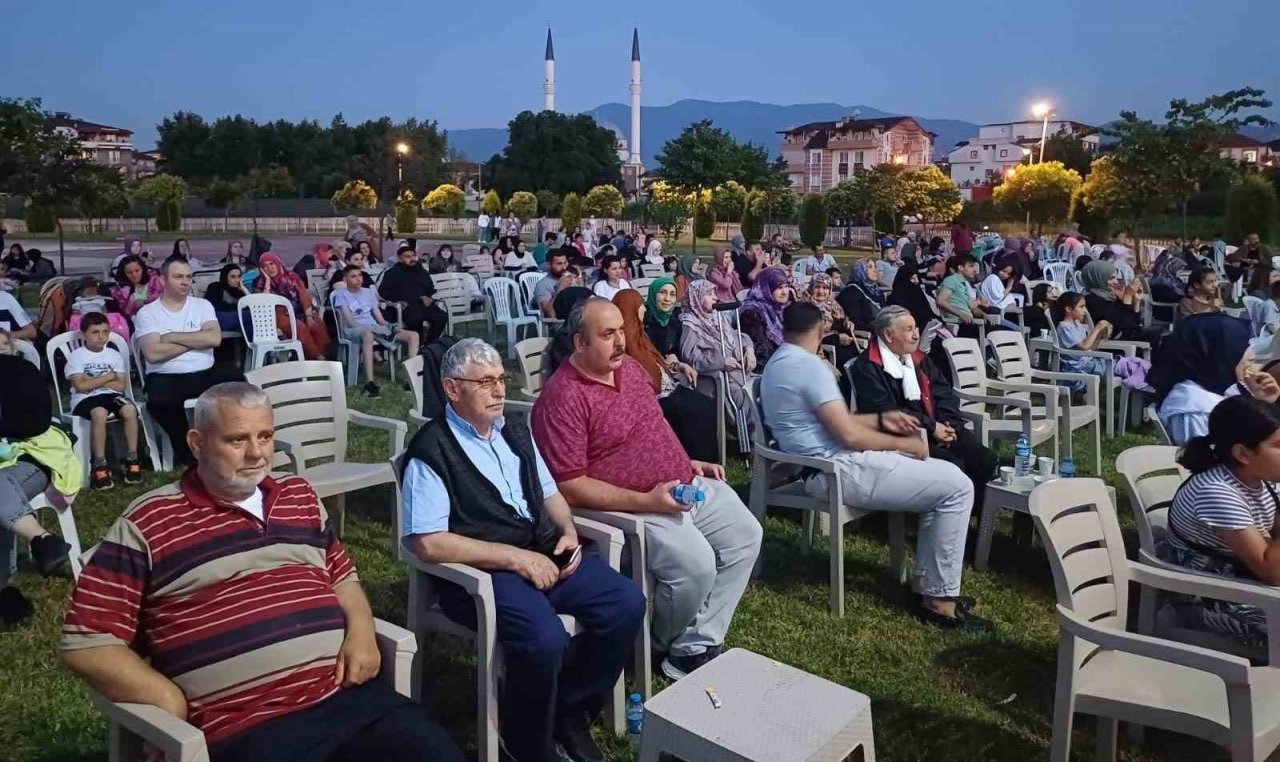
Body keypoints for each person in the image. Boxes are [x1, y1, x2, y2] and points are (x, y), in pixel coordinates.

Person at [59, 383, 462, 762]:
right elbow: (88, 642)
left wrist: (361, 631)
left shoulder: (298, 495)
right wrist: (167, 701)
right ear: (197, 443)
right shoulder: (149, 522)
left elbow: (340, 574)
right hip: (246, 727)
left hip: (348, 698)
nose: (257, 454)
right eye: (238, 440)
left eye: (265, 437)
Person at [400, 339, 643, 762]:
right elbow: (427, 541)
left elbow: (549, 492)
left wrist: (567, 530)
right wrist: (514, 558)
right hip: (484, 573)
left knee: (626, 603)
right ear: (453, 389)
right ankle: (526, 740)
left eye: (501, 380)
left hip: (543, 554)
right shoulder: (432, 450)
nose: (498, 391)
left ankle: (570, 710)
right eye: (486, 382)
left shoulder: (513, 428)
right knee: (544, 639)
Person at [531, 297, 763, 679]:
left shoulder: (632, 371)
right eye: (607, 335)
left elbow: (651, 429)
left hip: (682, 485)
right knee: (696, 565)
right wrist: (646, 500)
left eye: (621, 330)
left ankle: (694, 645)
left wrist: (686, 462)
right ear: (579, 343)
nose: (621, 341)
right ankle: (655, 648)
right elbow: (567, 486)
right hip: (631, 506)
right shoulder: (563, 399)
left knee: (746, 535)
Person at [760, 302, 991, 631]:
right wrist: (904, 443)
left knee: (951, 478)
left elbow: (839, 423)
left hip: (824, 464)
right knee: (957, 487)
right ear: (822, 330)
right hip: (834, 471)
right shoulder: (810, 368)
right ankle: (938, 599)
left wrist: (883, 419)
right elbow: (850, 435)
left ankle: (928, 585)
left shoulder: (780, 361)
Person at [1157, 395, 1280, 652]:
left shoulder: (1261, 479)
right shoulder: (1217, 491)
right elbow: (1273, 573)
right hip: (1212, 596)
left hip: (1246, 578)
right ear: (1243, 454)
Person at [851, 305, 998, 501]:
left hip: (934, 427)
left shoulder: (918, 358)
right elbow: (886, 412)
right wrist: (930, 427)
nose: (915, 335)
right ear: (888, 335)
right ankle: (948, 518)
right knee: (954, 466)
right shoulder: (869, 366)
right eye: (908, 329)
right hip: (900, 436)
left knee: (985, 458)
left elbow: (943, 391)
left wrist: (947, 423)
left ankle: (977, 522)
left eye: (916, 328)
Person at [0, 336, 78, 626]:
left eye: (3, 349)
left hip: (30, 459)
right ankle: (42, 539)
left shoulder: (22, 374)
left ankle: (4, 588)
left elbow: (34, 423)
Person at [134, 257, 243, 466]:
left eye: (189, 277)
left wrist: (171, 336)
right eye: (178, 277)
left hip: (204, 372)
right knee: (160, 399)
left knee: (238, 381)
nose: (185, 282)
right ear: (163, 279)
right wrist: (196, 339)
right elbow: (153, 353)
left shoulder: (202, 305)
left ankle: (231, 440)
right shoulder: (148, 313)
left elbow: (214, 339)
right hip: (166, 375)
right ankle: (185, 448)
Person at [612, 290, 720, 463]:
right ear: (630, 308)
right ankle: (697, 464)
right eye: (640, 305)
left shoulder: (639, 334)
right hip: (653, 397)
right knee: (697, 411)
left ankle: (707, 463)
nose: (644, 309)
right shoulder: (624, 342)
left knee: (704, 404)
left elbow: (660, 360)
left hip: (668, 386)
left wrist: (678, 365)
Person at [1151, 308, 1253, 444]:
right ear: (1219, 352)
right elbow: (1199, 461)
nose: (1250, 358)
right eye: (1241, 349)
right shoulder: (1192, 408)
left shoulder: (1215, 386)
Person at [66, 313, 142, 490]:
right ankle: (99, 463)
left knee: (129, 409)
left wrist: (92, 381)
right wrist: (108, 376)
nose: (101, 336)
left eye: (105, 332)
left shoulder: (113, 355)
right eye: (94, 332)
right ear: (83, 334)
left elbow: (120, 384)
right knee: (99, 412)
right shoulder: (77, 356)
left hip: (109, 394)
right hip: (85, 398)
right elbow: (80, 386)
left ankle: (132, 457)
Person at [680, 279, 756, 439]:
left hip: (738, 372)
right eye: (709, 294)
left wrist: (749, 349)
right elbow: (691, 358)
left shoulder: (716, 317)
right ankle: (747, 438)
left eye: (714, 293)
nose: (715, 297)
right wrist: (721, 361)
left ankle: (763, 431)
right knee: (740, 393)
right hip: (715, 378)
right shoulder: (690, 324)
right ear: (697, 298)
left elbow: (738, 335)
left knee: (760, 386)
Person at [332, 265, 418, 397]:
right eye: (353, 276)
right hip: (353, 329)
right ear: (345, 279)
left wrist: (389, 326)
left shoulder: (368, 292)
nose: (358, 279)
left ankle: (411, 380)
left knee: (413, 335)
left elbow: (379, 318)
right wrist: (375, 329)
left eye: (360, 275)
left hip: (375, 328)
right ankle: (369, 383)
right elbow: (350, 322)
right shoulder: (341, 294)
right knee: (368, 334)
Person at [254, 253, 330, 361]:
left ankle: (312, 360)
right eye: (265, 266)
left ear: (278, 264)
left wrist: (309, 317)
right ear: (261, 269)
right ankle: (318, 357)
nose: (270, 268)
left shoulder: (292, 277)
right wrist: (267, 281)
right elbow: (265, 302)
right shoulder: (259, 282)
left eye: (272, 264)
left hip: (299, 311)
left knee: (317, 324)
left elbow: (304, 296)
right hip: (276, 316)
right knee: (299, 327)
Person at [378, 244, 449, 343]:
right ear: (399, 258)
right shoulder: (392, 273)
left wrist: (429, 298)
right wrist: (396, 301)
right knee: (415, 319)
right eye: (407, 257)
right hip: (405, 306)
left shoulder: (420, 270)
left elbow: (430, 287)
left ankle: (429, 343)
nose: (412, 259)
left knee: (441, 316)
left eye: (413, 256)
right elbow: (383, 292)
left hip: (423, 304)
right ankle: (418, 344)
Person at [1080, 259, 1152, 344]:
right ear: (1098, 278)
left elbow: (1135, 324)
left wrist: (1136, 301)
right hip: (1113, 345)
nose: (1116, 282)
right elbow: (1125, 325)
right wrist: (1127, 297)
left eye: (1116, 278)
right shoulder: (1092, 300)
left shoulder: (1109, 297)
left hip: (1125, 339)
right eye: (1111, 278)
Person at [1052, 292, 1113, 389]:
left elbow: (1091, 349)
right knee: (1126, 366)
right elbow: (1084, 346)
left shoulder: (1078, 325)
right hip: (1080, 368)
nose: (1085, 310)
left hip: (1089, 364)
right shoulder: (1064, 327)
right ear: (1068, 309)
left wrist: (1100, 333)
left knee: (1130, 365)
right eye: (1081, 307)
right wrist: (1097, 328)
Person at [804, 272, 859, 371]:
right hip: (821, 349)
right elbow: (811, 335)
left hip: (839, 343)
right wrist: (836, 338)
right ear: (811, 288)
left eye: (825, 288)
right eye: (817, 287)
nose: (821, 291)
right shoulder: (806, 306)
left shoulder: (832, 303)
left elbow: (841, 319)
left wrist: (847, 323)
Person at [738, 267, 791, 365]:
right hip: (769, 365)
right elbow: (761, 350)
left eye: (786, 286)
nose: (785, 292)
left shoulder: (782, 308)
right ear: (766, 288)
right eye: (779, 288)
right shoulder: (752, 312)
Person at [935, 253, 984, 338]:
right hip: (959, 324)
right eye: (971, 266)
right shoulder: (951, 280)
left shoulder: (962, 283)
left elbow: (972, 307)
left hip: (969, 322)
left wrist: (985, 315)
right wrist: (961, 315)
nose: (975, 270)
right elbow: (940, 301)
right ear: (960, 268)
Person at [110, 254, 164, 322]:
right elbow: (124, 312)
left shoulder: (156, 282)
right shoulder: (120, 291)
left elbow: (165, 300)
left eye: (137, 270)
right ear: (123, 274)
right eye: (129, 272)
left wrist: (144, 302)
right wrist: (134, 305)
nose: (134, 275)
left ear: (143, 269)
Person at [836, 259, 884, 332]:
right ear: (860, 270)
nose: (875, 271)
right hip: (867, 333)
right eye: (870, 267)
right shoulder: (851, 292)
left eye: (875, 267)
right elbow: (856, 321)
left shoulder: (877, 291)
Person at [643, 275, 684, 359]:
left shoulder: (675, 322)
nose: (667, 299)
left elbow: (676, 350)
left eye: (672, 295)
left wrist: (674, 356)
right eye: (662, 292)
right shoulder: (642, 319)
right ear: (653, 293)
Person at [204, 263, 245, 332]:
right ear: (225, 277)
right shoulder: (215, 287)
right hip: (219, 319)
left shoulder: (240, 291)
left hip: (238, 320)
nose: (237, 280)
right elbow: (214, 307)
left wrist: (244, 290)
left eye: (239, 276)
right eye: (233, 277)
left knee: (250, 324)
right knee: (253, 316)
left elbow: (249, 306)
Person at [533, 250, 571, 318]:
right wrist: (560, 289)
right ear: (549, 265)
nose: (564, 267)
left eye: (565, 263)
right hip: (558, 324)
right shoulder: (542, 285)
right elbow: (549, 314)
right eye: (559, 264)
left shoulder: (569, 279)